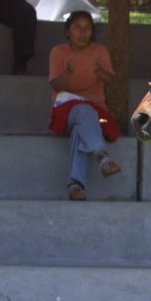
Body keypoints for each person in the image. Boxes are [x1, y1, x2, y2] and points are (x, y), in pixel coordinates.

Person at [48, 11, 121, 201]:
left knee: (82, 126)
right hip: (65, 112)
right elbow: (56, 85)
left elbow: (111, 79)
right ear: (68, 31)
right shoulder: (59, 52)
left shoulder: (99, 51)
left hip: (100, 116)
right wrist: (68, 73)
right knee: (82, 110)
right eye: (77, 28)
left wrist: (99, 70)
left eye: (87, 28)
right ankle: (102, 156)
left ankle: (75, 186)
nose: (83, 33)